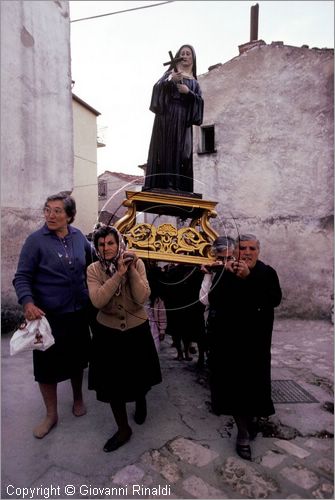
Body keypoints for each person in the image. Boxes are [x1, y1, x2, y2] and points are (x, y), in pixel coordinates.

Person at [13, 192, 93, 439]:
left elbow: (93, 265)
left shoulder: (79, 237)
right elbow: (22, 276)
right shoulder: (35, 240)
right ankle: (51, 415)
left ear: (69, 215)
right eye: (47, 209)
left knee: (77, 360)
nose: (51, 215)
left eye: (58, 210)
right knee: (46, 367)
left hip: (78, 312)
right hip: (48, 316)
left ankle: (78, 398)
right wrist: (27, 302)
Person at [86, 224, 162, 452]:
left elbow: (142, 298)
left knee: (139, 377)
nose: (106, 247)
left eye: (110, 243)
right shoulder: (93, 270)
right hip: (107, 333)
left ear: (119, 243)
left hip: (136, 330)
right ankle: (123, 429)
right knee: (111, 385)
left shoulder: (136, 263)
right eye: (101, 244)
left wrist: (129, 271)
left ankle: (141, 400)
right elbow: (98, 301)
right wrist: (118, 274)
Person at [207, 233, 282, 461]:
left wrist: (249, 279)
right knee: (237, 389)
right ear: (235, 251)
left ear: (258, 252)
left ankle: (251, 421)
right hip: (231, 344)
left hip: (257, 344)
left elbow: (274, 299)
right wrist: (223, 275)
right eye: (242, 248)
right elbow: (214, 301)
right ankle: (242, 434)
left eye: (252, 248)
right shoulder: (226, 272)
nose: (247, 252)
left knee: (255, 387)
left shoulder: (267, 273)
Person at [143, 44, 204, 193]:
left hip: (183, 121)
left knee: (183, 152)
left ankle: (179, 186)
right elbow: (156, 89)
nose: (185, 55)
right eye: (182, 53)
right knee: (166, 150)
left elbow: (199, 103)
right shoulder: (169, 75)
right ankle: (165, 184)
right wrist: (171, 81)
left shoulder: (194, 83)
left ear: (193, 59)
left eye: (188, 54)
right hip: (167, 117)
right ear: (178, 56)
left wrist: (188, 92)